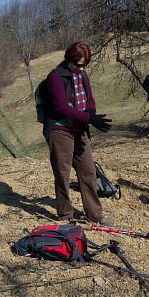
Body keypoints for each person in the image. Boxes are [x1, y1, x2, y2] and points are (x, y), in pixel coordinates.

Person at [44, 42, 114, 225]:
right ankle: (66, 214)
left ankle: (95, 215)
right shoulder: (55, 77)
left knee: (88, 171)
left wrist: (90, 113)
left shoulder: (82, 75)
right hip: (60, 129)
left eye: (85, 65)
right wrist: (87, 118)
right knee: (62, 172)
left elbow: (89, 98)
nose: (82, 68)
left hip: (80, 128)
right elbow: (60, 108)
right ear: (69, 60)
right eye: (79, 64)